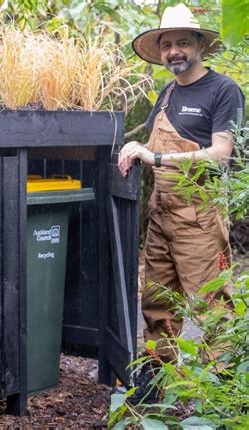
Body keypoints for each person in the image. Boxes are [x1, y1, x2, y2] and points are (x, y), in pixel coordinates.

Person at [118, 3, 245, 404]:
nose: (174, 51)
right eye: (167, 44)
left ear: (199, 46)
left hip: (201, 218)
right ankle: (155, 390)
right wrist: (133, 146)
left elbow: (220, 154)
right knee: (156, 305)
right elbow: (149, 144)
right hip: (161, 217)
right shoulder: (167, 92)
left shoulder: (224, 90)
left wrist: (155, 158)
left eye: (183, 43)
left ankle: (223, 399)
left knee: (213, 310)